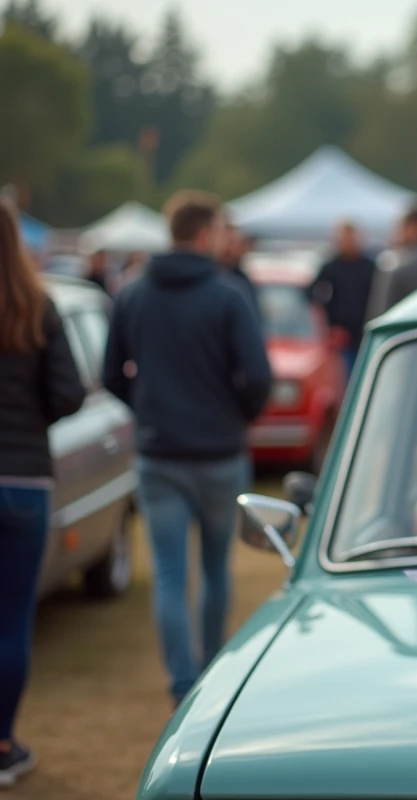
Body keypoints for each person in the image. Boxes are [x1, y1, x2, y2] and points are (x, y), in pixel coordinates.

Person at [103, 191, 271, 707]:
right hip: (219, 453)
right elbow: (259, 378)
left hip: (160, 454)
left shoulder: (132, 294)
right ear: (203, 235)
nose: (225, 239)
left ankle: (182, 685)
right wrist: (235, 415)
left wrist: (150, 409)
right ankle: (210, 675)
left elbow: (112, 375)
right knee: (216, 569)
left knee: (171, 575)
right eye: (220, 231)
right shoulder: (228, 294)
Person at [0, 199, 86, 787]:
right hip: (25, 481)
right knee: (10, 623)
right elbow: (70, 393)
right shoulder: (38, 307)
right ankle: (3, 743)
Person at [307, 221, 377, 376]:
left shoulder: (370, 266)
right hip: (341, 335)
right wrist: (328, 315)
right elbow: (311, 292)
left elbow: (380, 295)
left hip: (366, 329)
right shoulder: (331, 266)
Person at [216, 222, 259, 326]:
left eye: (236, 242)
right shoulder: (217, 282)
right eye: (230, 242)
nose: (235, 248)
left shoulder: (241, 279)